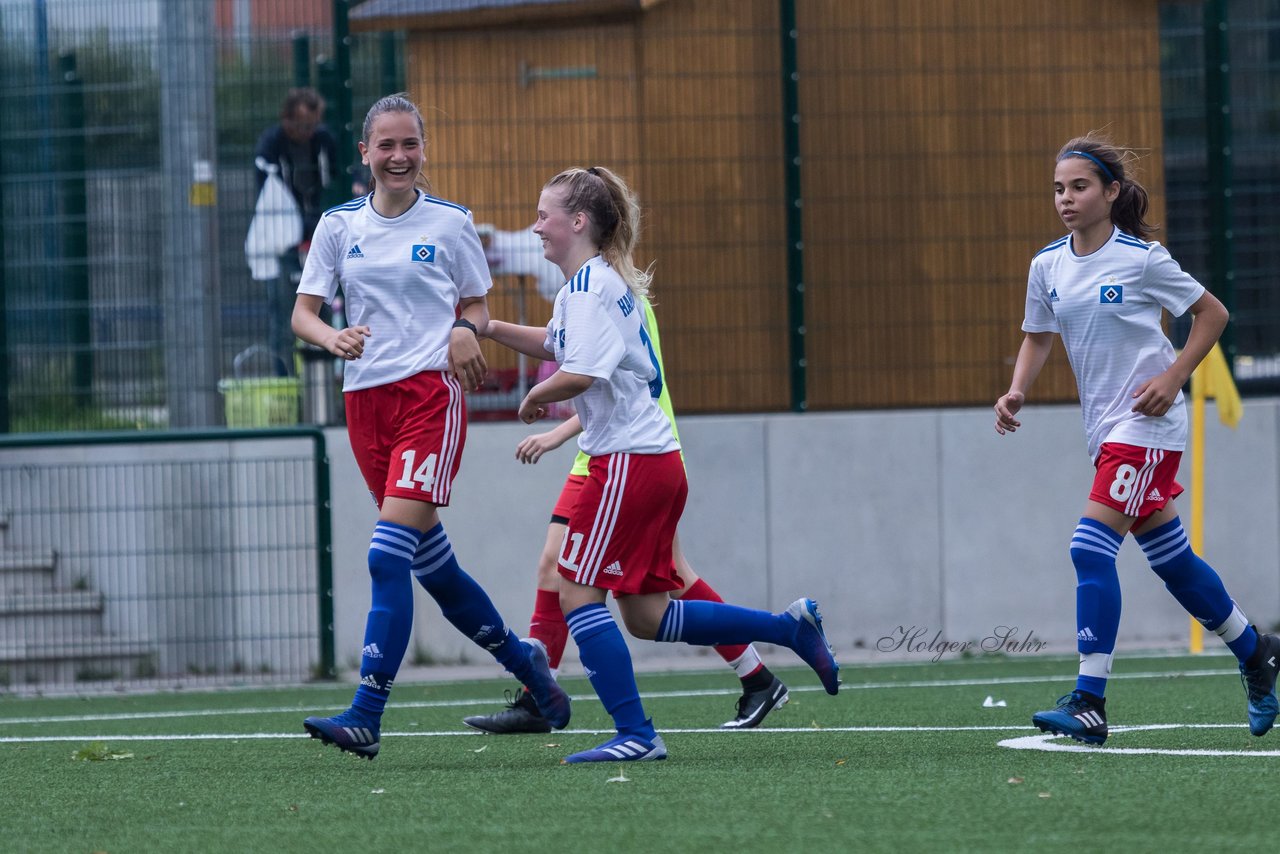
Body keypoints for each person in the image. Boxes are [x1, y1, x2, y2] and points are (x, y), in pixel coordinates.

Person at [484, 166, 839, 763]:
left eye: (544, 214)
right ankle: (787, 629)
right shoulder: (586, 287)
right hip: (648, 461)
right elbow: (555, 344)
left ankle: (637, 734)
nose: (535, 225)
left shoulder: (594, 287)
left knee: (576, 594)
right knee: (646, 616)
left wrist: (535, 398)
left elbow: (586, 373)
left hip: (628, 462)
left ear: (578, 223)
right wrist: (489, 327)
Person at [292, 93, 569, 760]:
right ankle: (536, 680)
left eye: (408, 144)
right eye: (385, 145)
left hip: (429, 401)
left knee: (386, 555)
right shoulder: (337, 226)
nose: (397, 156)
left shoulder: (451, 224)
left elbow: (476, 304)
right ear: (364, 154)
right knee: (433, 570)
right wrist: (334, 338)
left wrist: (465, 332)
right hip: (365, 406)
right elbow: (303, 314)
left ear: (423, 150)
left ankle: (366, 712)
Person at [994, 134, 1280, 746]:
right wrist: (1017, 389)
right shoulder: (1048, 265)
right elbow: (1037, 335)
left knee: (1089, 548)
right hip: (1105, 431)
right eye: (1058, 189)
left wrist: (1174, 375)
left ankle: (1090, 701)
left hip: (1148, 425)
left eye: (1079, 186)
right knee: (1173, 562)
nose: (1065, 199)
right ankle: (1258, 652)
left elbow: (1213, 314)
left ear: (1111, 192)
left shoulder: (1142, 259)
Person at [463, 303, 789, 734]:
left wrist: (545, 414)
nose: (539, 230)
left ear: (586, 230)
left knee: (664, 585)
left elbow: (605, 379)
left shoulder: (608, 292)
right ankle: (540, 695)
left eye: (548, 227)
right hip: (602, 452)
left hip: (640, 453)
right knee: (555, 566)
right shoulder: (586, 289)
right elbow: (578, 364)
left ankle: (762, 667)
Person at [253, 87, 339, 376]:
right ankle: (285, 383)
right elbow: (268, 193)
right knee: (281, 316)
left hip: (318, 238)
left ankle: (326, 384)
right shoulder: (271, 145)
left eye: (313, 124)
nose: (308, 131)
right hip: (284, 241)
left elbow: (337, 181)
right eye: (303, 125)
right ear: (287, 120)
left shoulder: (324, 141)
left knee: (324, 312)